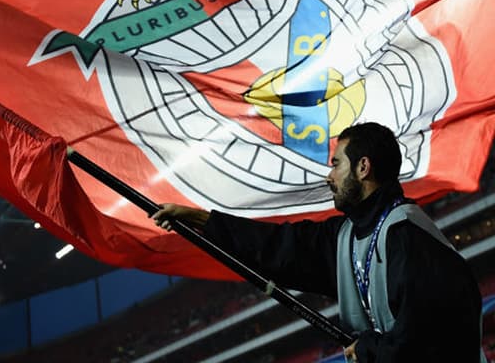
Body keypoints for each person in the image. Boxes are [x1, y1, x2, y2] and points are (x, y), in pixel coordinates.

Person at [152, 122, 485, 362]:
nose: (329, 176)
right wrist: (203, 221)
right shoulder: (346, 236)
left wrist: (370, 350)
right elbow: (279, 247)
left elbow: (435, 337)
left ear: (363, 167)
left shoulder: (408, 234)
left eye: (336, 164)